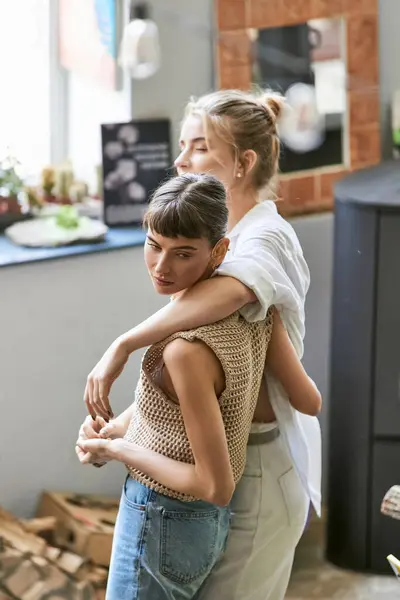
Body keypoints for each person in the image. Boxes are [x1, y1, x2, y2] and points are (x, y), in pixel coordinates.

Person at [82, 89, 322, 599]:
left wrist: (121, 346)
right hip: (229, 472)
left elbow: (225, 302)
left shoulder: (263, 242)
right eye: (182, 145)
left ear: (243, 163)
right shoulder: (221, 240)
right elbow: (193, 393)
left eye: (197, 147)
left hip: (255, 470)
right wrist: (117, 427)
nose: (180, 160)